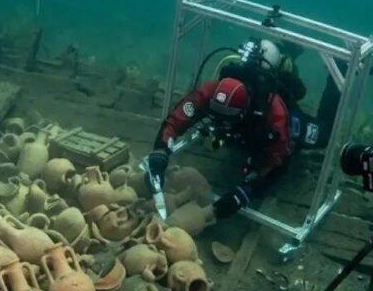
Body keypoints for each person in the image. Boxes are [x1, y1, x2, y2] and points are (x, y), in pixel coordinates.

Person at [146, 38, 341, 219]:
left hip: (278, 117)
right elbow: (176, 120)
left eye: (228, 120)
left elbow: (277, 162)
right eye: (217, 118)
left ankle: (337, 74)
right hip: (246, 128)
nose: (222, 125)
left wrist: (243, 194)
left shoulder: (275, 116)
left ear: (244, 112)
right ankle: (287, 52)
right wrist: (159, 153)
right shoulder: (211, 91)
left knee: (323, 135)